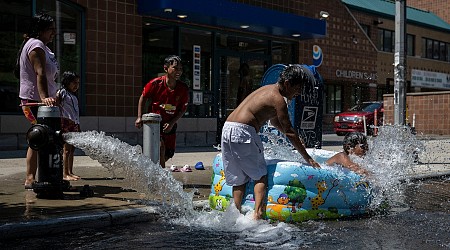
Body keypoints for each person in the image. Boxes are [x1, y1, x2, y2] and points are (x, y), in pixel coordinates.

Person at [221, 64, 321, 220]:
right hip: (244, 131)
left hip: (228, 129)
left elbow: (275, 123)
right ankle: (258, 215)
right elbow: (289, 130)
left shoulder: (268, 90)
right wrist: (307, 157)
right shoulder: (279, 100)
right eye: (298, 88)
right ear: (287, 83)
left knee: (238, 178)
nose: (299, 93)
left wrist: (291, 135)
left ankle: (234, 215)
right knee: (260, 175)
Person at [18, 13, 59, 189]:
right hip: (35, 101)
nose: (54, 33)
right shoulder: (36, 45)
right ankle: (30, 178)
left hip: (44, 101)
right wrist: (44, 98)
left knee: (45, 138)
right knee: (38, 137)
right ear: (41, 30)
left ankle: (47, 173)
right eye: (51, 29)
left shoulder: (44, 47)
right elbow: (39, 73)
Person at [135, 55, 189, 169]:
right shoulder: (155, 84)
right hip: (154, 123)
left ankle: (151, 169)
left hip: (170, 123)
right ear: (166, 68)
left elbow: (182, 109)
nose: (178, 71)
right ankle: (161, 180)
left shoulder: (183, 89)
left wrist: (172, 123)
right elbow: (143, 97)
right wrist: (140, 117)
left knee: (167, 154)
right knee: (160, 148)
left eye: (180, 69)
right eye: (175, 68)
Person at [56, 71, 81, 181]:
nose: (76, 85)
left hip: (74, 124)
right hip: (65, 123)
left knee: (72, 149)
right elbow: (56, 106)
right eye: (74, 82)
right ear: (67, 82)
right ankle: (64, 173)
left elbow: (76, 113)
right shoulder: (62, 93)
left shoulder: (74, 96)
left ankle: (70, 171)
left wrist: (78, 126)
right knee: (66, 150)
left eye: (78, 83)